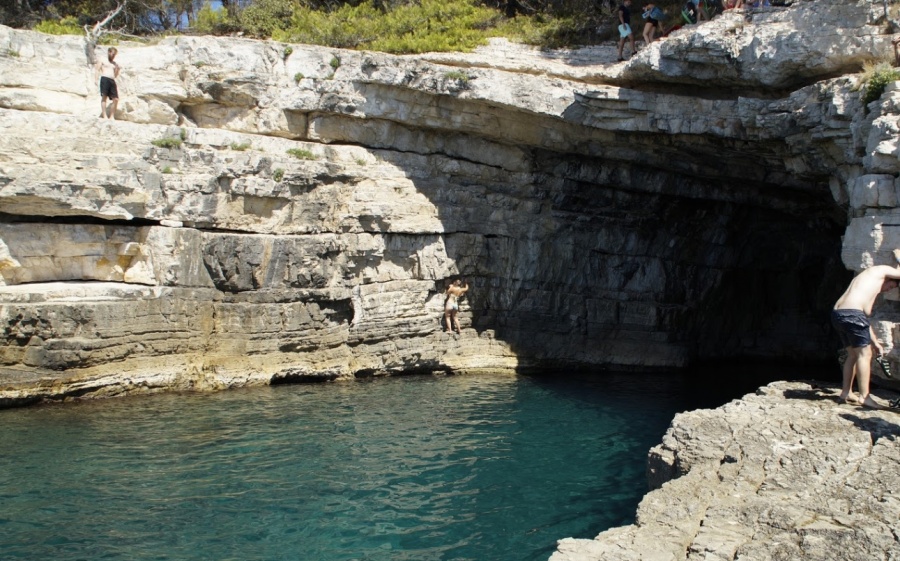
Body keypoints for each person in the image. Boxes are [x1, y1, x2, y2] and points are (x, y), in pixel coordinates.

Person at [831, 249, 900, 408]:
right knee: (864, 354)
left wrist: (875, 342)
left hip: (838, 314)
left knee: (853, 354)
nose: (888, 290)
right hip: (852, 314)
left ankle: (846, 392)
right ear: (889, 277)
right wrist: (898, 255)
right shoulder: (880, 270)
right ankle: (865, 397)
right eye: (891, 286)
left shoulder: (865, 280)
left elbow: (864, 317)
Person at [95, 47, 121, 120]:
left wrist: (117, 69)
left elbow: (115, 75)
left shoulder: (114, 63)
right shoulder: (103, 60)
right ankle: (104, 115)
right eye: (113, 54)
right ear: (109, 52)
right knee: (104, 97)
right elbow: (97, 69)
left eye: (114, 55)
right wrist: (96, 79)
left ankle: (112, 116)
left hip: (112, 80)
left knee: (115, 99)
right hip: (105, 78)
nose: (113, 56)